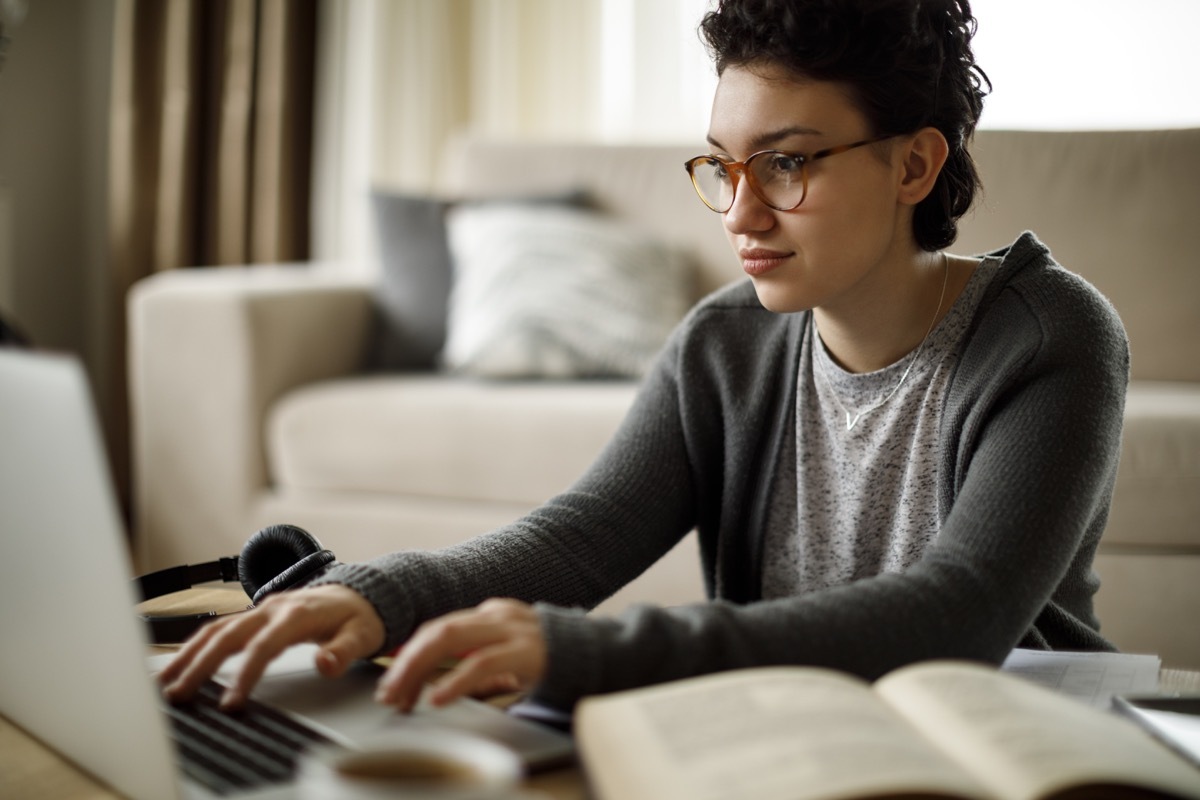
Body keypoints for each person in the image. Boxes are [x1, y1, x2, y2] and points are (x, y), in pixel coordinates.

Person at [161, 0, 1129, 715]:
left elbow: (958, 612)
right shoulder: (724, 345)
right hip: (799, 741)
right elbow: (577, 538)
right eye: (725, 163)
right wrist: (372, 593)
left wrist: (575, 650)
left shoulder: (1052, 338)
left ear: (914, 165)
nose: (742, 213)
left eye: (788, 163)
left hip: (1012, 749)